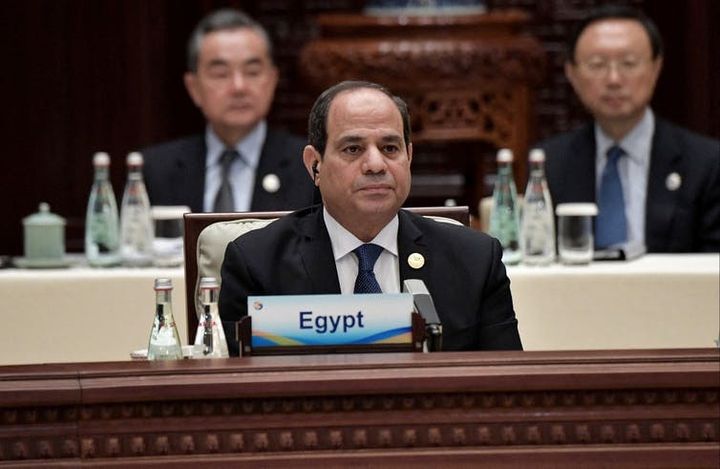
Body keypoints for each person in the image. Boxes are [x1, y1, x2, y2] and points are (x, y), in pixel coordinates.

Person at [219, 80, 522, 355]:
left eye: (390, 148)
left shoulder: (475, 260)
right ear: (315, 164)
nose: (376, 164)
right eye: (353, 149)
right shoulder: (257, 264)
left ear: (409, 157)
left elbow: (506, 387)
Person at [538, 5, 720, 253]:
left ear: (656, 68)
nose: (614, 79)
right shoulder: (549, 164)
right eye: (597, 64)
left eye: (629, 63)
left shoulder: (706, 164)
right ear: (572, 73)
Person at [142, 8, 315, 213]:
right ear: (194, 88)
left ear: (272, 80)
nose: (239, 87)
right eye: (221, 74)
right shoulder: (155, 170)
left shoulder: (310, 167)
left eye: (252, 72)